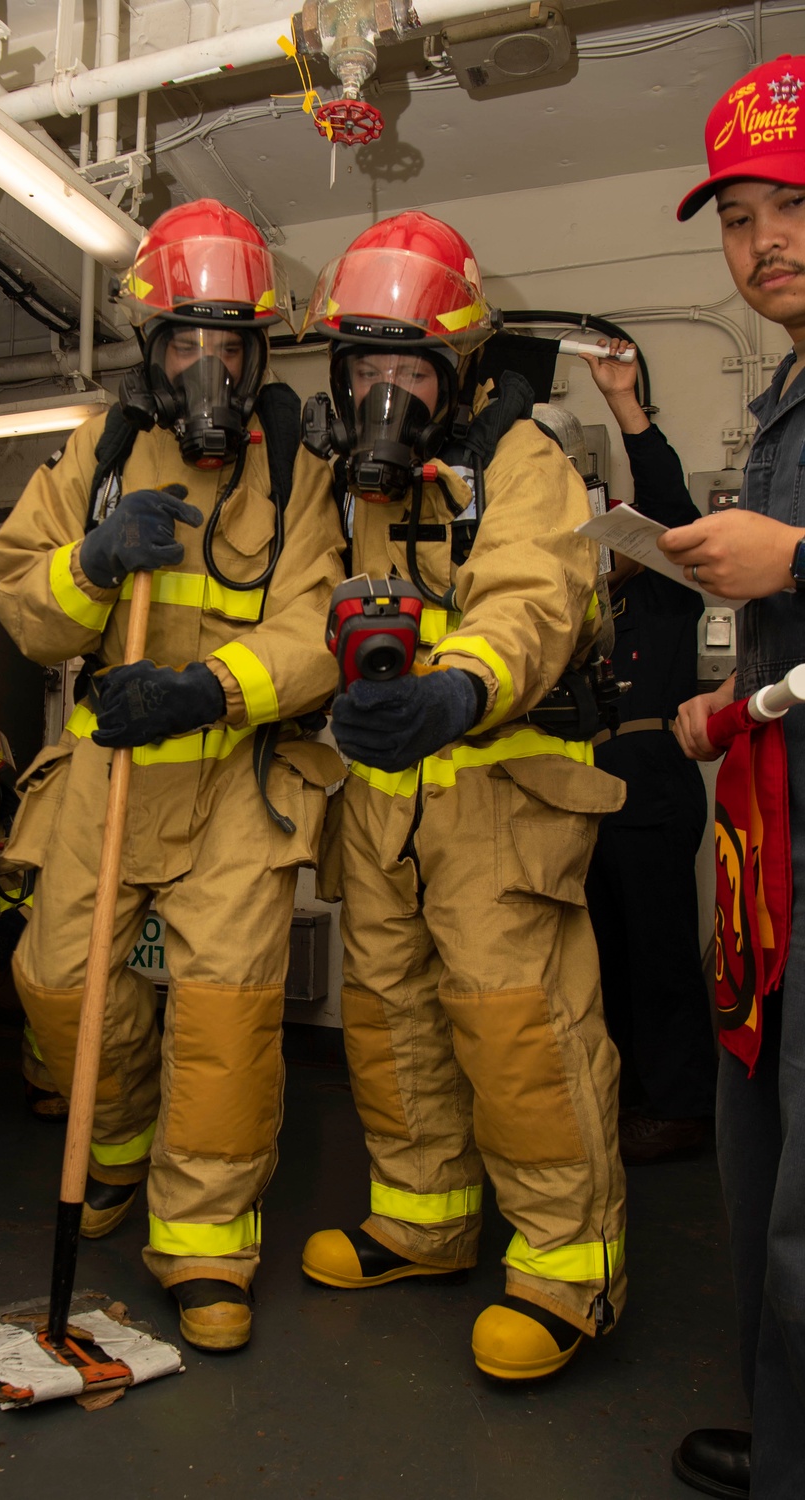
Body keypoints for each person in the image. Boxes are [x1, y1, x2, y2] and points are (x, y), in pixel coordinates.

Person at [0, 199, 345, 1352]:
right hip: (109, 771)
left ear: (256, 353)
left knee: (226, 1021)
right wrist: (91, 564)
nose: (207, 367)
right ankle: (119, 1142)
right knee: (52, 982)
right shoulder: (97, 451)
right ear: (152, 350)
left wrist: (208, 689)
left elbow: (314, 628)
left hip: (234, 777)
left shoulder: (295, 472)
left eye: (229, 345)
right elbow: (22, 606)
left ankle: (203, 1243)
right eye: (184, 343)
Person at [298, 211, 628, 1382]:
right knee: (389, 1028)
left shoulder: (522, 461)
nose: (387, 390)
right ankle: (423, 1221)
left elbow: (531, 600)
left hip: (498, 799)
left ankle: (566, 1270)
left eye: (410, 367)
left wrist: (457, 690)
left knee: (522, 1036)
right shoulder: (354, 490)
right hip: (384, 812)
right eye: (365, 368)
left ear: (458, 371)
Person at [661, 53, 805, 1500]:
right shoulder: (784, 398)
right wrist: (738, 696)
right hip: (775, 843)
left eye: (793, 203)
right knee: (764, 1178)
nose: (765, 240)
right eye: (739, 216)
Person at [580, 340, 717, 1163]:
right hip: (589, 794)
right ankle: (628, 1095)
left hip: (651, 787)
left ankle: (681, 1108)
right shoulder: (583, 612)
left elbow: (668, 499)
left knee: (661, 953)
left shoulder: (665, 592)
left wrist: (627, 406)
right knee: (603, 957)